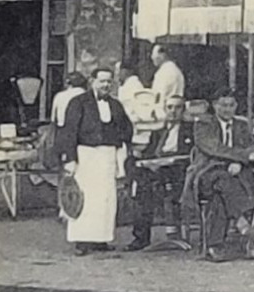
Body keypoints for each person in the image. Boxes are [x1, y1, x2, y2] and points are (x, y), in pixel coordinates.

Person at [55, 68, 132, 256]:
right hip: (85, 155)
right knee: (85, 198)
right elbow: (69, 132)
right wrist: (70, 159)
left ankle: (101, 239)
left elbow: (127, 128)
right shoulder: (78, 103)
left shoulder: (115, 105)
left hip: (107, 156)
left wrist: (119, 141)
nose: (105, 85)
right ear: (92, 81)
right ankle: (81, 241)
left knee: (106, 199)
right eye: (102, 81)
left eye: (109, 82)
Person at [188, 95, 254, 263]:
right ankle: (242, 223)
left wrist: (239, 161)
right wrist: (242, 157)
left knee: (220, 195)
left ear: (236, 106)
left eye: (231, 105)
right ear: (215, 105)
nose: (227, 109)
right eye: (223, 105)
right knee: (221, 177)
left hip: (231, 179)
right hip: (206, 175)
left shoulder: (241, 125)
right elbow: (214, 148)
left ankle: (214, 246)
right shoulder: (204, 124)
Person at [125, 97, 194, 251]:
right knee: (140, 181)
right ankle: (141, 238)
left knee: (156, 184)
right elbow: (151, 153)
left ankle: (174, 235)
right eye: (169, 107)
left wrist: (168, 162)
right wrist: (146, 160)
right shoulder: (158, 132)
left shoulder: (191, 130)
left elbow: (191, 154)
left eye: (178, 108)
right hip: (158, 170)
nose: (173, 111)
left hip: (179, 171)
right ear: (165, 109)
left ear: (183, 110)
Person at [150, 43, 186, 113]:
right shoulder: (177, 71)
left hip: (163, 110)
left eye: (155, 56)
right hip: (177, 109)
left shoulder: (163, 73)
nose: (152, 58)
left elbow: (158, 95)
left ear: (163, 55)